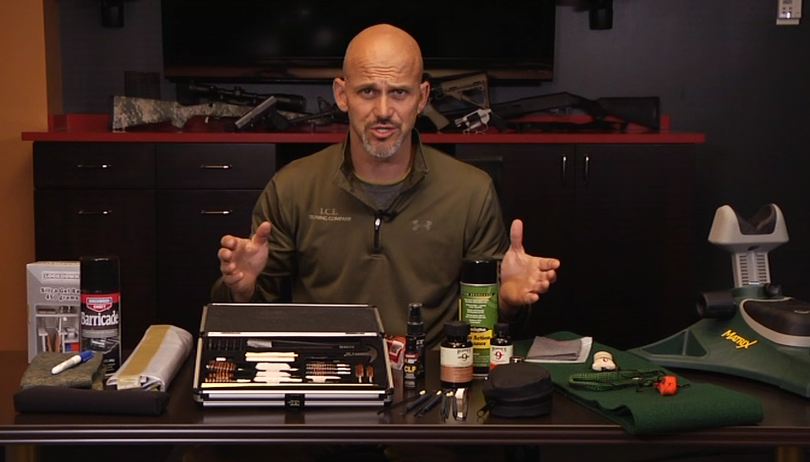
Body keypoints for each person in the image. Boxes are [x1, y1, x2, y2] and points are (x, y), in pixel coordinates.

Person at [201, 23, 560, 462]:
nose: (384, 110)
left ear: (423, 98)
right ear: (341, 94)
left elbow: (482, 330)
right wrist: (242, 291)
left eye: (401, 93)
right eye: (368, 91)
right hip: (319, 395)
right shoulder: (292, 187)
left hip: (431, 402)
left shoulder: (471, 191)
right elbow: (248, 327)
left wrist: (504, 301)